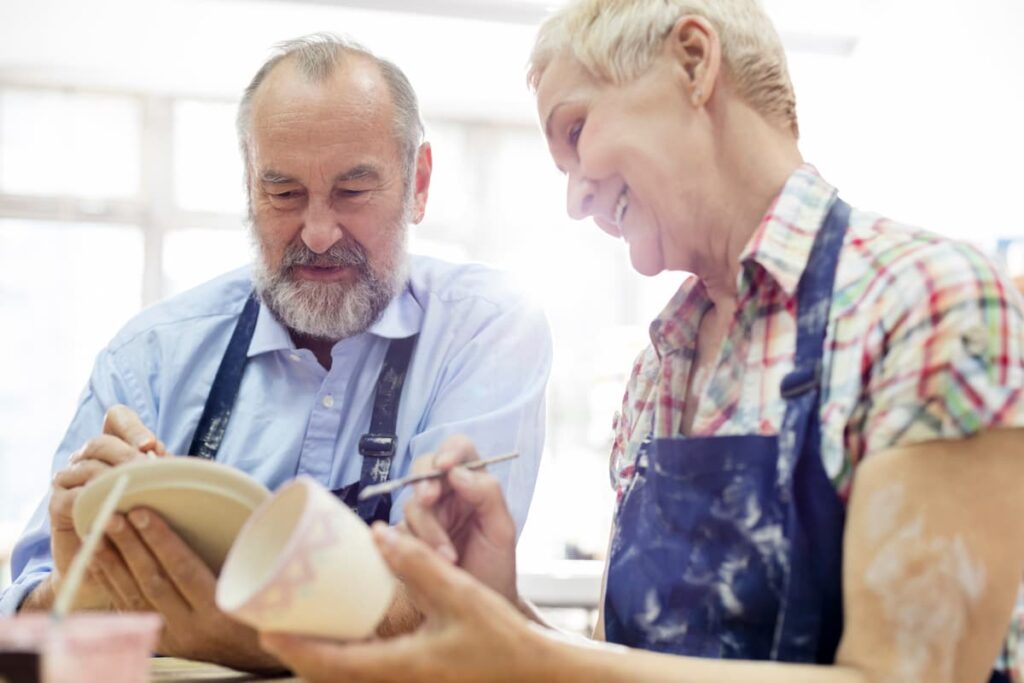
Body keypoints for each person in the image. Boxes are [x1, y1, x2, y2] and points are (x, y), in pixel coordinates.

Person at [257, 2, 1024, 682]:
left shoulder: (927, 300)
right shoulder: (662, 365)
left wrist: (530, 660)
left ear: (694, 60)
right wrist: (500, 606)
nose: (576, 197)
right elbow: (624, 663)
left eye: (578, 130)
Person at [0, 33, 552, 671]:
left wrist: (214, 628)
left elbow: (448, 613)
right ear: (248, 187)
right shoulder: (146, 358)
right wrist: (79, 587)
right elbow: (23, 630)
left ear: (418, 184)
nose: (318, 234)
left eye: (352, 191)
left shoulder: (483, 331)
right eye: (284, 193)